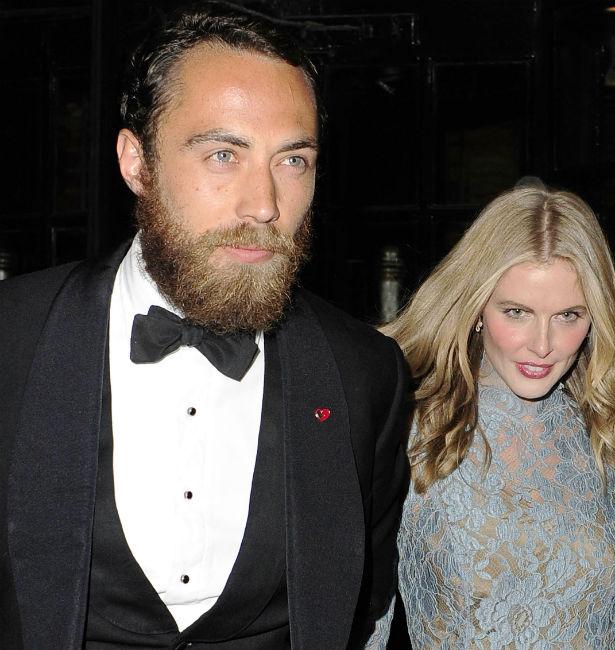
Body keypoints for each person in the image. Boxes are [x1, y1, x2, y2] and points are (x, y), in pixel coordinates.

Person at [0, 8, 409, 650]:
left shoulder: (366, 374)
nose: (264, 205)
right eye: (224, 155)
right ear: (137, 162)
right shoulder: (11, 340)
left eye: (293, 161)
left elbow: (365, 600)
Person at [367, 184, 615, 648]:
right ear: (477, 306)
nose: (542, 345)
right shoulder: (412, 432)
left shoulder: (610, 430)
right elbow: (362, 621)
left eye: (568, 316)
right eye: (517, 312)